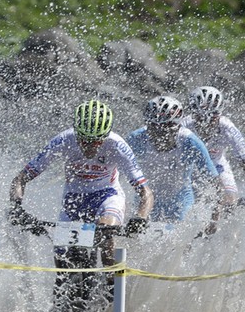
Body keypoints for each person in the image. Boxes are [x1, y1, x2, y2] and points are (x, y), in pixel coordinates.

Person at [8, 99, 154, 271]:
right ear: (76, 133)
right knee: (62, 260)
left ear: (105, 136)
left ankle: (111, 290)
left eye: (96, 142)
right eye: (84, 140)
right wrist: (16, 207)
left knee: (106, 240)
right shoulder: (63, 140)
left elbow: (146, 192)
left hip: (107, 195)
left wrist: (141, 218)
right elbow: (20, 179)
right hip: (74, 199)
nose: (89, 147)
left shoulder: (117, 145)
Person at [127, 95, 225, 236]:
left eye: (165, 128)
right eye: (153, 127)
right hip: (145, 200)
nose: (159, 134)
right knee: (136, 239)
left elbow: (215, 183)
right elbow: (114, 171)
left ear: (177, 126)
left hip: (180, 200)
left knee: (182, 243)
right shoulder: (136, 139)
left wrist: (214, 219)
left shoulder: (190, 142)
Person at [180, 86, 245, 207]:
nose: (206, 122)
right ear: (193, 114)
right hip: (191, 168)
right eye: (201, 117)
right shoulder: (183, 126)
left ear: (220, 112)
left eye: (213, 116)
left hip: (217, 165)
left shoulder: (227, 127)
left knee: (229, 203)